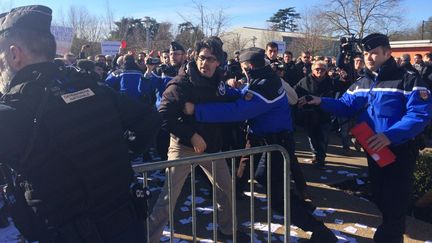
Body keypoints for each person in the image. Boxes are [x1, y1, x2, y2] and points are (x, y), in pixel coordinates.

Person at [0, 5, 161, 243]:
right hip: (127, 224)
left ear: (14, 54)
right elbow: (149, 120)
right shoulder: (91, 86)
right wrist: (117, 154)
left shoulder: (16, 109)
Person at [184, 47, 337, 242]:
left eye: (243, 67)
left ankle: (321, 232)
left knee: (278, 200)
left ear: (248, 66)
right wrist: (233, 89)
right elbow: (246, 94)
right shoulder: (265, 78)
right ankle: (299, 205)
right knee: (264, 178)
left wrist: (197, 110)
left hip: (276, 143)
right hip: (269, 142)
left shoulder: (266, 86)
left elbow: (238, 111)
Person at [300, 33, 432, 243]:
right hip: (374, 149)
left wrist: (390, 136)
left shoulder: (408, 79)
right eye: (366, 53)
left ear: (387, 53)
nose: (369, 57)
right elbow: (345, 105)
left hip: (400, 150)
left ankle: (388, 238)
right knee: (380, 195)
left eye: (374, 53)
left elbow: (419, 115)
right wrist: (319, 100)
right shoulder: (363, 82)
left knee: (395, 202)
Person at [147, 38, 245, 242]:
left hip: (211, 148)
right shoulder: (182, 82)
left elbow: (226, 96)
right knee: (168, 198)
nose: (205, 63)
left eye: (210, 59)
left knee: (226, 191)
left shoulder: (218, 80)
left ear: (218, 61)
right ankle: (149, 237)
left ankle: (228, 231)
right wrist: (191, 135)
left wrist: (243, 93)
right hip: (183, 147)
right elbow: (163, 114)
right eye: (202, 58)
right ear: (195, 58)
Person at [295, 60, 336, 168]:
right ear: (312, 70)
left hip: (325, 115)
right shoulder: (304, 81)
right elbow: (295, 93)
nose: (320, 71)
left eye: (322, 69)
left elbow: (338, 91)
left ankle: (321, 158)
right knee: (312, 137)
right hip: (309, 115)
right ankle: (316, 155)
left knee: (323, 137)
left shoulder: (331, 81)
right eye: (317, 69)